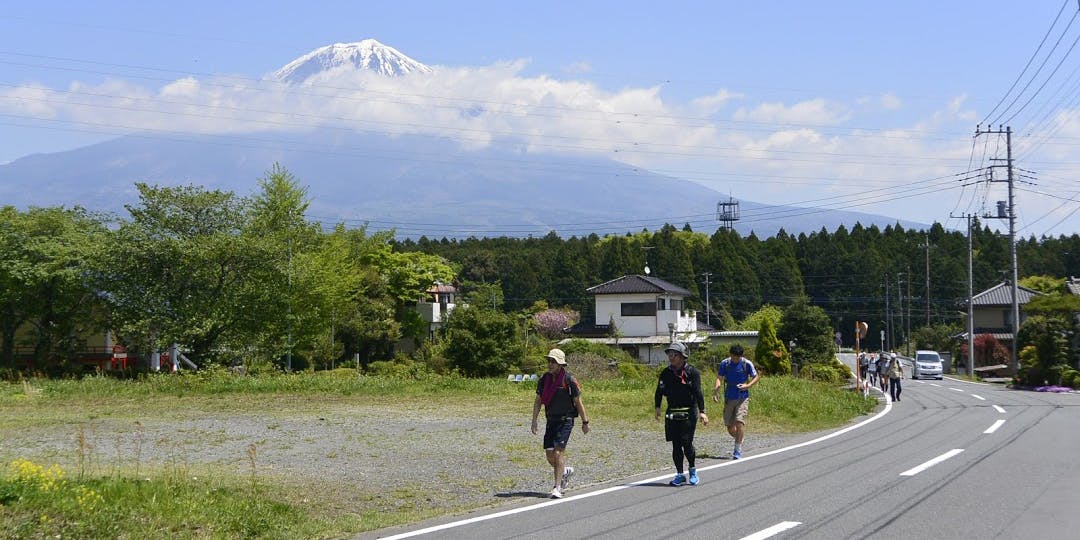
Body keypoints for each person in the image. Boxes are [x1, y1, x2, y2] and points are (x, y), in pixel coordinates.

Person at [531, 348, 590, 499]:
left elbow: (578, 402)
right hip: (551, 420)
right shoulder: (544, 380)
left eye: (553, 361)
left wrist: (585, 422)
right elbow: (538, 401)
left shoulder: (569, 380)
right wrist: (534, 420)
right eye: (549, 361)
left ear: (560, 364)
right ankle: (564, 471)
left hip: (566, 420)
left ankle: (557, 487)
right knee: (550, 456)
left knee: (558, 453)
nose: (550, 364)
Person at [654, 342, 708, 486]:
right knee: (676, 444)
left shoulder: (692, 372)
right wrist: (657, 407)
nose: (671, 357)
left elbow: (698, 392)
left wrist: (702, 412)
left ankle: (692, 469)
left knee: (686, 442)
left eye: (674, 355)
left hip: (689, 411)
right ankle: (679, 474)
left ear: (682, 356)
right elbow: (659, 391)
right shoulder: (666, 373)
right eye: (669, 354)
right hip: (672, 410)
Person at [713, 344, 760, 460]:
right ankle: (739, 438)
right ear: (731, 355)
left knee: (739, 422)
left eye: (738, 357)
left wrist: (747, 385)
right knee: (729, 426)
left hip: (743, 397)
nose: (736, 359)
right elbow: (719, 378)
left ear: (741, 356)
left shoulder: (746, 363)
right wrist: (716, 390)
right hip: (729, 396)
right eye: (734, 357)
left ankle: (737, 450)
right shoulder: (725, 363)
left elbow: (756, 376)